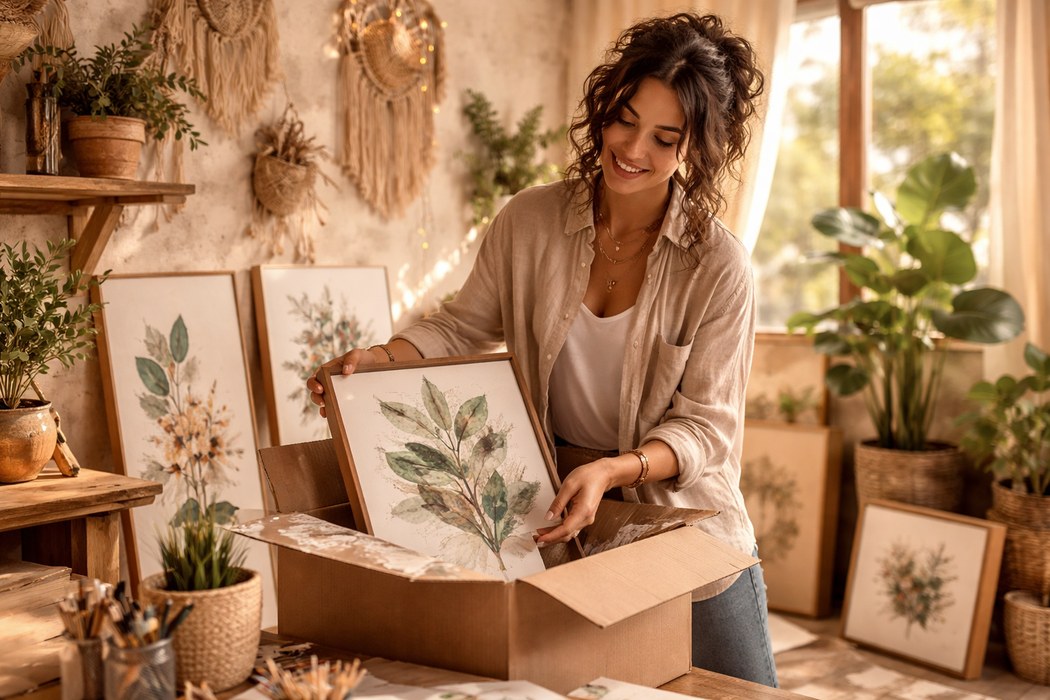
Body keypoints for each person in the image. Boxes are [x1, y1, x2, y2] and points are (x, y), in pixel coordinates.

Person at [308, 12, 776, 687]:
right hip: (555, 518)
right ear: (602, 107)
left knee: (740, 693)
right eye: (624, 118)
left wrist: (615, 472)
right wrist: (378, 359)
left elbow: (707, 428)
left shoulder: (719, 266)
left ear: (696, 150)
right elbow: (461, 327)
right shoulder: (527, 223)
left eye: (664, 137)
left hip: (684, 526)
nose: (633, 148)